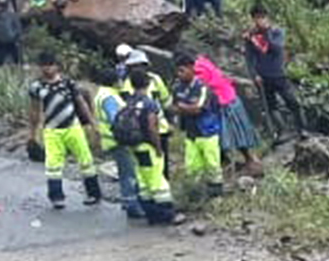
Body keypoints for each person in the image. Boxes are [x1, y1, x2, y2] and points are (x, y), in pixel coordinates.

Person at [24, 54, 104, 209]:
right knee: (53, 165)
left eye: (50, 65)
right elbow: (34, 111)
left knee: (86, 161)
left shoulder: (68, 83)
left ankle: (94, 193)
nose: (47, 69)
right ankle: (56, 197)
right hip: (52, 130)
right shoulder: (36, 87)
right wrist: (32, 134)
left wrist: (93, 123)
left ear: (57, 66)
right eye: (44, 65)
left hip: (73, 127)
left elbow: (81, 103)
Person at [109, 60, 174, 224]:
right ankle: (166, 215)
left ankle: (150, 214)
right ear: (148, 83)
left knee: (143, 180)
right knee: (157, 181)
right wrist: (158, 147)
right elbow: (152, 128)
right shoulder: (149, 103)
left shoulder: (128, 102)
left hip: (134, 146)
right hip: (147, 146)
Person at [191, 54, 258, 176]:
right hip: (228, 97)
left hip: (224, 102)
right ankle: (237, 162)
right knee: (231, 136)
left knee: (230, 136)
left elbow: (202, 90)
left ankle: (250, 162)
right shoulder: (203, 62)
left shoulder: (198, 70)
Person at [91, 74, 146, 218]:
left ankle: (127, 201)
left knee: (125, 172)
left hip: (110, 140)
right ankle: (132, 205)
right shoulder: (109, 97)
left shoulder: (103, 94)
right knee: (129, 173)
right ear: (114, 81)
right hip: (118, 140)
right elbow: (116, 118)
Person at [243, 5, 297, 138]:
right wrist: (254, 75)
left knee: (292, 101)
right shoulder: (250, 37)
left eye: (262, 17)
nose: (259, 20)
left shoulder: (277, 32)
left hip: (278, 73)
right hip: (262, 76)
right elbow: (249, 58)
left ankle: (302, 129)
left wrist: (265, 33)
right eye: (256, 18)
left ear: (267, 17)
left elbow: (276, 48)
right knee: (270, 105)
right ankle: (282, 130)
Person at [169, 64, 221, 199]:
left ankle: (216, 193)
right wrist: (185, 108)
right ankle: (195, 194)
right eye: (178, 71)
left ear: (191, 69)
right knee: (192, 165)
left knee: (212, 164)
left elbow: (198, 109)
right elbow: (172, 108)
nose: (179, 74)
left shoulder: (202, 88)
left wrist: (182, 107)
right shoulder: (177, 88)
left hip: (207, 131)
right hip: (190, 133)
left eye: (182, 70)